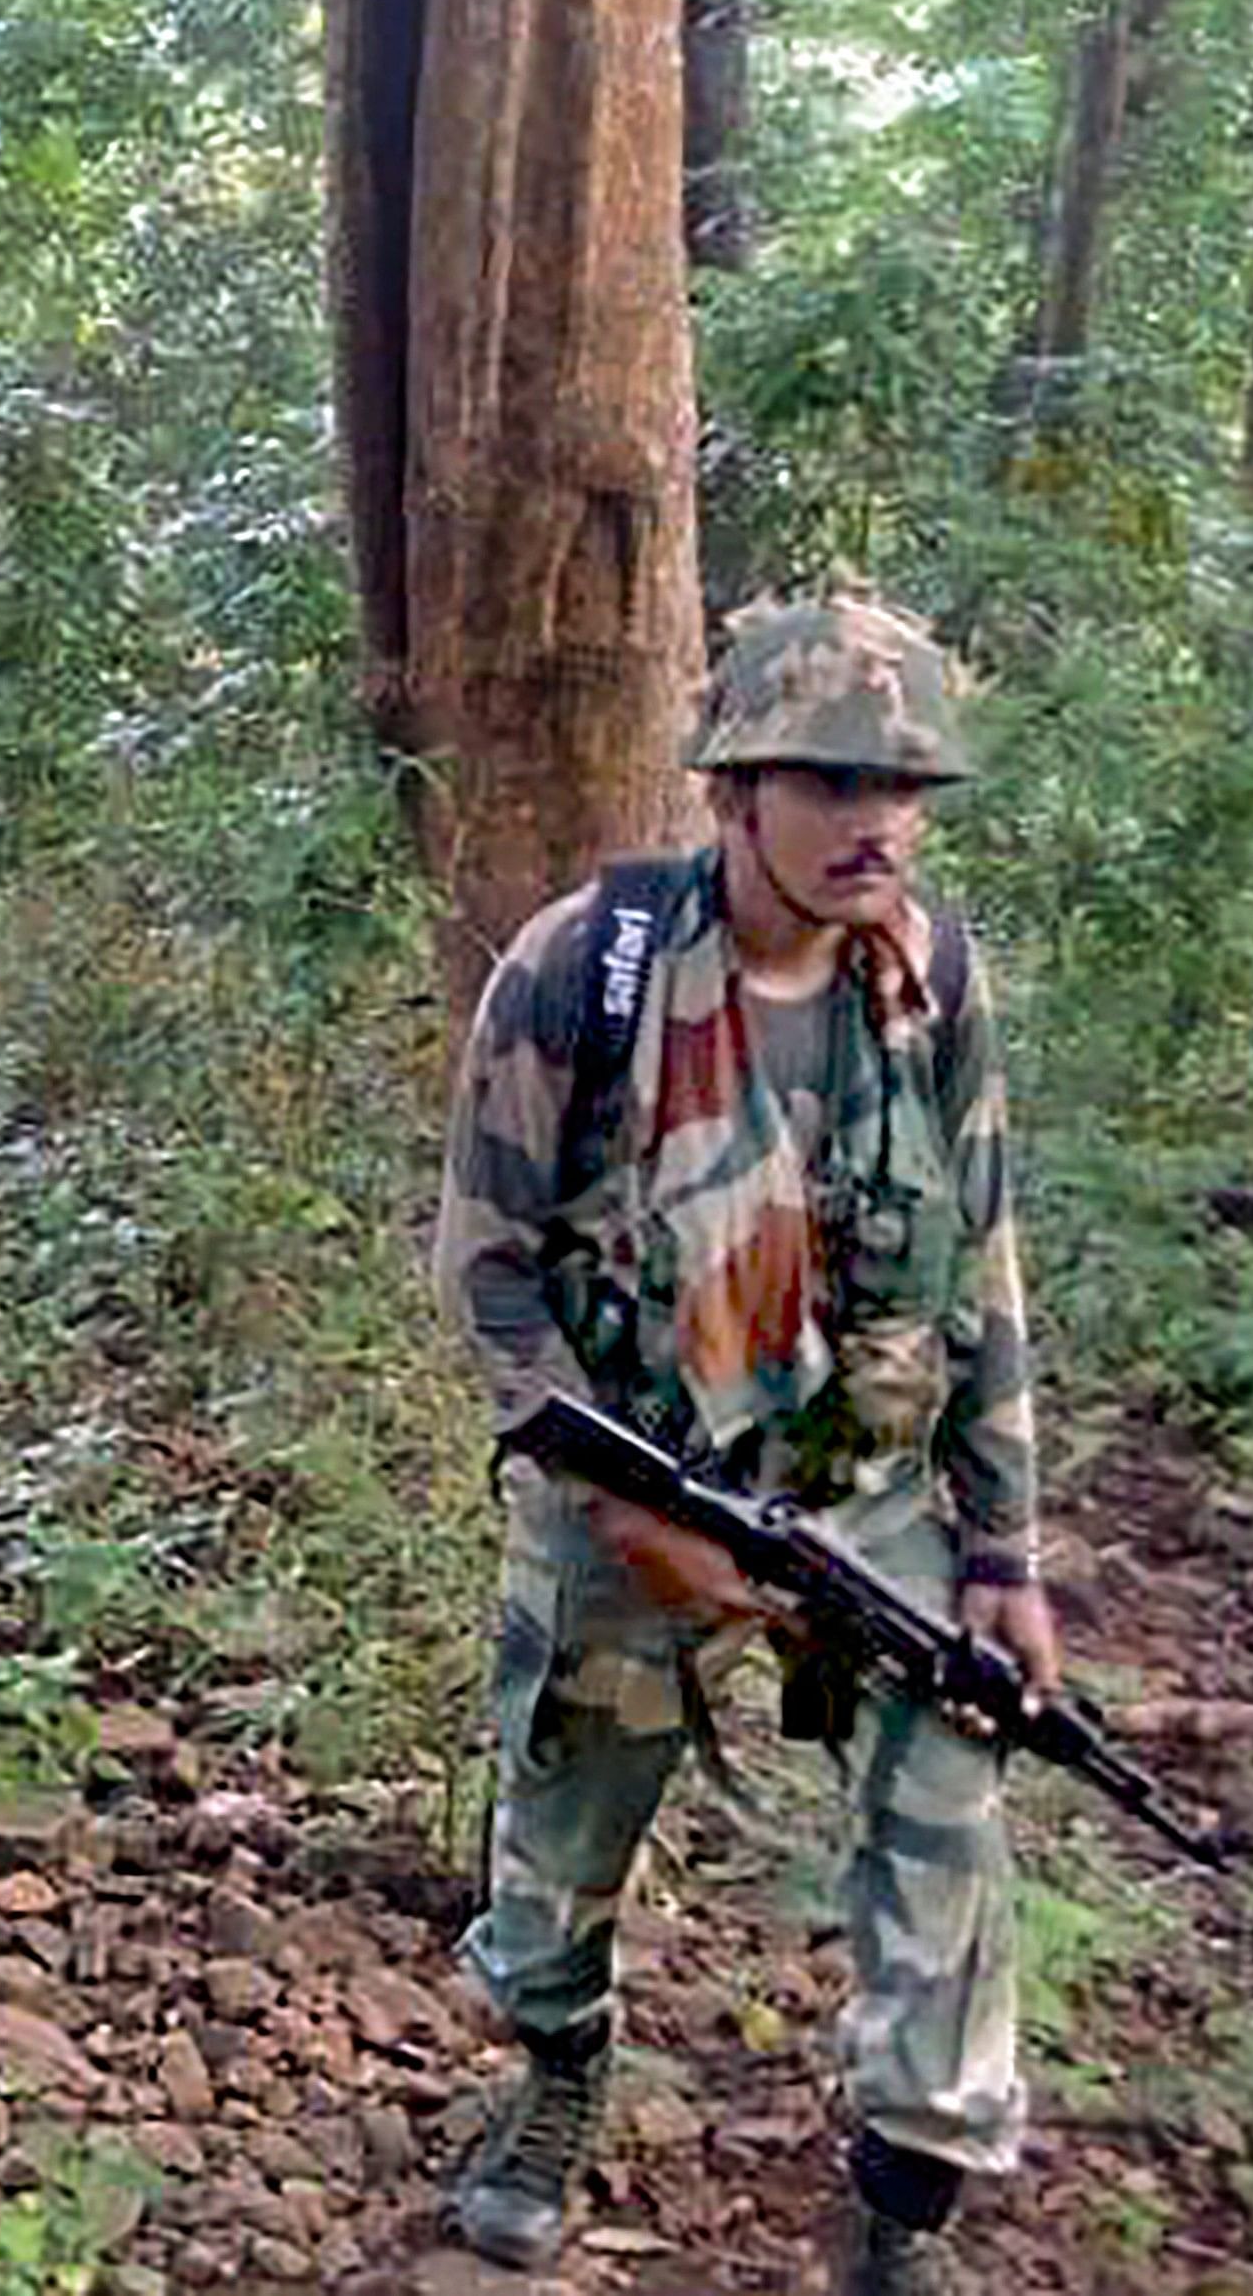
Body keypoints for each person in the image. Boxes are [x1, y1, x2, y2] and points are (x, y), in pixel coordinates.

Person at [427, 595, 1049, 2294]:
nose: (876, 825)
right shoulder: (586, 970)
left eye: (904, 790)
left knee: (947, 1824)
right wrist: (621, 1513)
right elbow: (484, 1276)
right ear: (730, 790)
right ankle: (553, 2079)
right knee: (559, 1838)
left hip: (867, 1497)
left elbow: (982, 1271)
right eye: (832, 783)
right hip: (627, 1479)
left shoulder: (934, 989)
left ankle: (902, 2203)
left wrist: (1002, 1556)